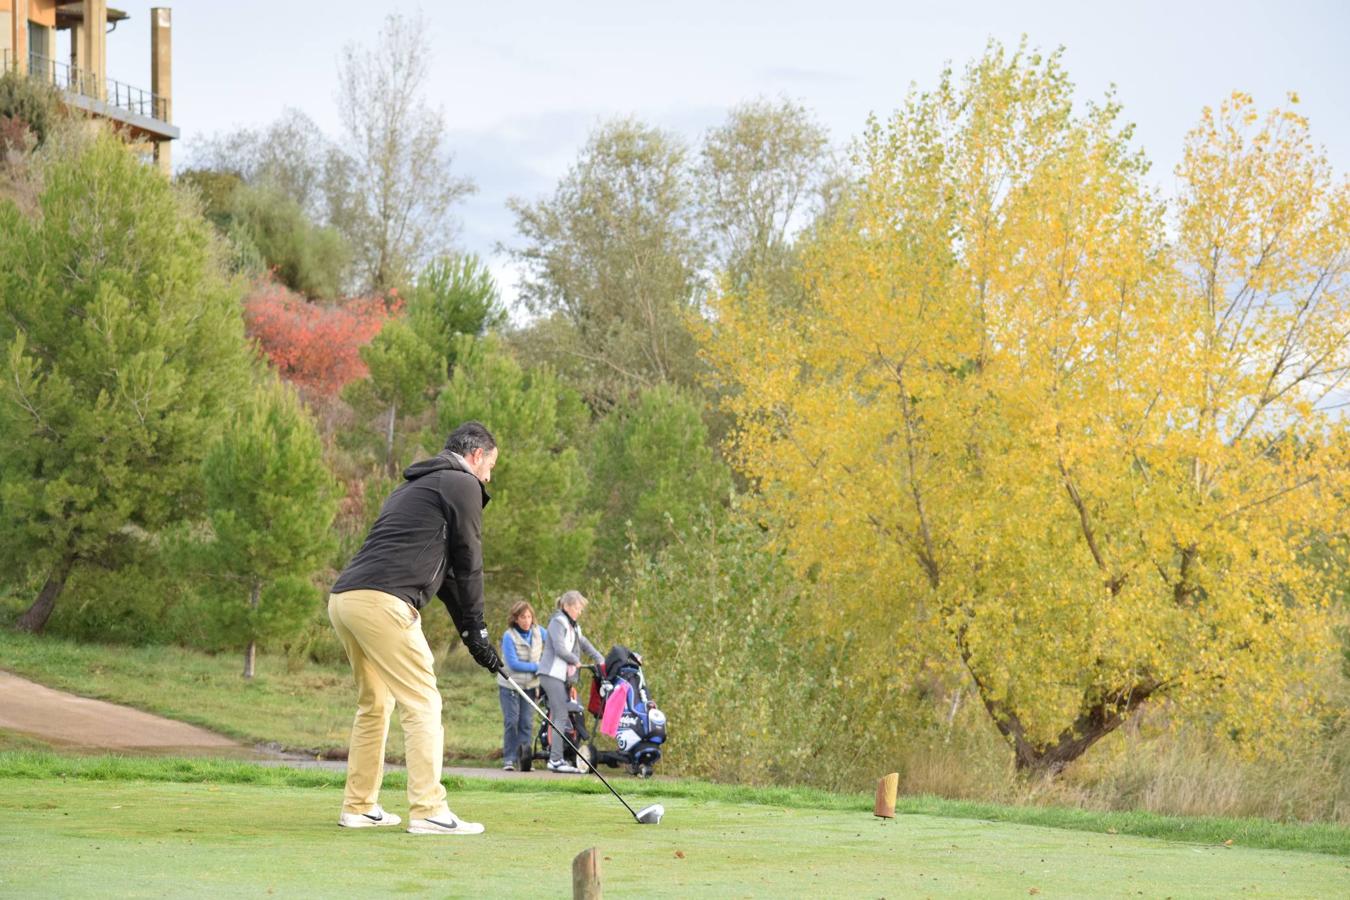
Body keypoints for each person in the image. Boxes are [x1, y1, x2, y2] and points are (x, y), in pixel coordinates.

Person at [327, 421, 503, 835]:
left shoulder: (413, 487)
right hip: (384, 603)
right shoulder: (462, 484)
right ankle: (428, 810)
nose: (490, 477)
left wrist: (472, 635)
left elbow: (447, 580)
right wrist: (476, 628)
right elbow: (469, 561)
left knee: (376, 704)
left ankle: (358, 806)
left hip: (345, 600)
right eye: (490, 465)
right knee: (423, 701)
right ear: (475, 456)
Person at [537, 590, 605, 773]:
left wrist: (600, 659)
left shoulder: (574, 626)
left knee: (562, 714)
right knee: (560, 714)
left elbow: (583, 643)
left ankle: (557, 758)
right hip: (550, 674)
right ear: (566, 606)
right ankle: (555, 760)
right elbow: (559, 648)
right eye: (577, 607)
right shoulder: (557, 622)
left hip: (560, 676)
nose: (579, 611)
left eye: (580, 608)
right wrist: (574, 660)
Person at [496, 600, 545, 771]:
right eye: (522, 617)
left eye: (529, 616)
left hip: (531, 686)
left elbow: (554, 641)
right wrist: (538, 667)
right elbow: (513, 664)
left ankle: (524, 760)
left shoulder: (539, 633)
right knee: (511, 721)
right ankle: (509, 759)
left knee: (526, 722)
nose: (526, 620)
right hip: (510, 685)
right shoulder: (509, 636)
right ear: (515, 619)